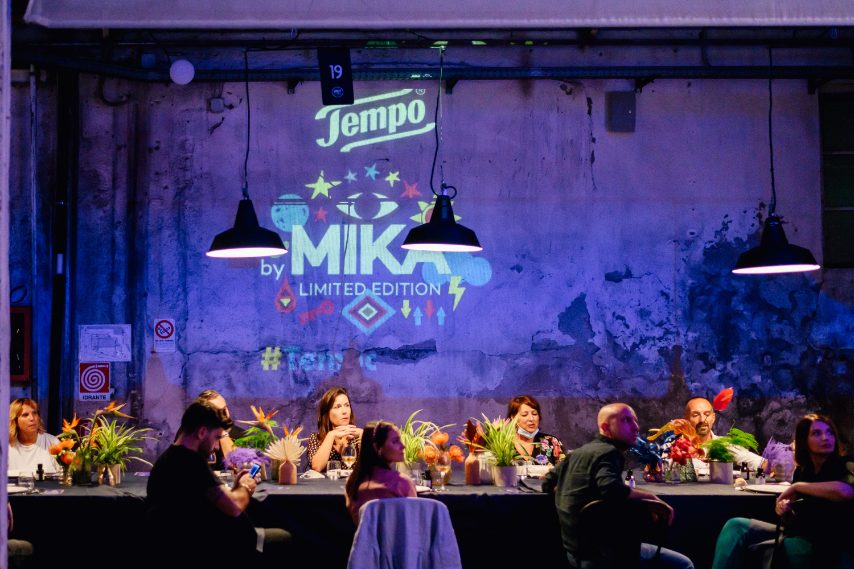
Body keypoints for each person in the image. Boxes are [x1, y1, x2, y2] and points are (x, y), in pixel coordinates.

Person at [544, 403, 694, 569]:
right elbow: (611, 489)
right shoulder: (609, 452)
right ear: (605, 428)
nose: (636, 427)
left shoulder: (577, 453)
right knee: (684, 565)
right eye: (626, 420)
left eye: (635, 421)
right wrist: (650, 498)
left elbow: (547, 483)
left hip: (576, 553)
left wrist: (577, 497)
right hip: (607, 555)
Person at [146, 401, 290, 564]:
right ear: (202, 432)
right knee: (284, 538)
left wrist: (235, 488)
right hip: (209, 548)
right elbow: (234, 507)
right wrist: (245, 485)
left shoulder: (169, 459)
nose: (216, 447)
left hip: (192, 544)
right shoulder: (191, 463)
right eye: (216, 438)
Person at [711, 413, 854, 569]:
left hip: (829, 544)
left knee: (763, 551)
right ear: (803, 440)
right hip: (799, 534)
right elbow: (797, 519)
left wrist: (797, 487)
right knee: (736, 526)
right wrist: (786, 512)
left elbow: (846, 491)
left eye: (830, 432)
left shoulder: (846, 465)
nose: (826, 438)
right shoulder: (803, 472)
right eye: (816, 433)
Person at [344, 421, 416, 524]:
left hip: (363, 535)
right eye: (395, 441)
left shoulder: (351, 483)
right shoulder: (401, 482)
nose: (403, 446)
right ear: (377, 447)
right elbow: (413, 524)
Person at [684, 397, 765, 477]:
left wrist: (772, 468)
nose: (702, 419)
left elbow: (760, 463)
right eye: (695, 415)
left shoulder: (724, 445)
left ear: (713, 418)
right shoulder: (677, 447)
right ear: (686, 419)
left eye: (707, 414)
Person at [307, 387, 363, 473]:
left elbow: (373, 469)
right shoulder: (316, 438)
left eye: (347, 405)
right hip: (327, 482)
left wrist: (364, 436)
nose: (344, 411)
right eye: (337, 407)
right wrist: (331, 435)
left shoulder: (358, 437)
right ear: (327, 413)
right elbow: (317, 467)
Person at [507, 394, 564, 465]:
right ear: (513, 417)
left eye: (534, 414)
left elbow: (565, 469)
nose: (531, 419)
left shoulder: (552, 441)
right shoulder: (503, 445)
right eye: (524, 415)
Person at [8, 398, 60, 475]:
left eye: (34, 413)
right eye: (25, 415)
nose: (32, 418)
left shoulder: (53, 442)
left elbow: (64, 475)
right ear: (15, 421)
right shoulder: (6, 447)